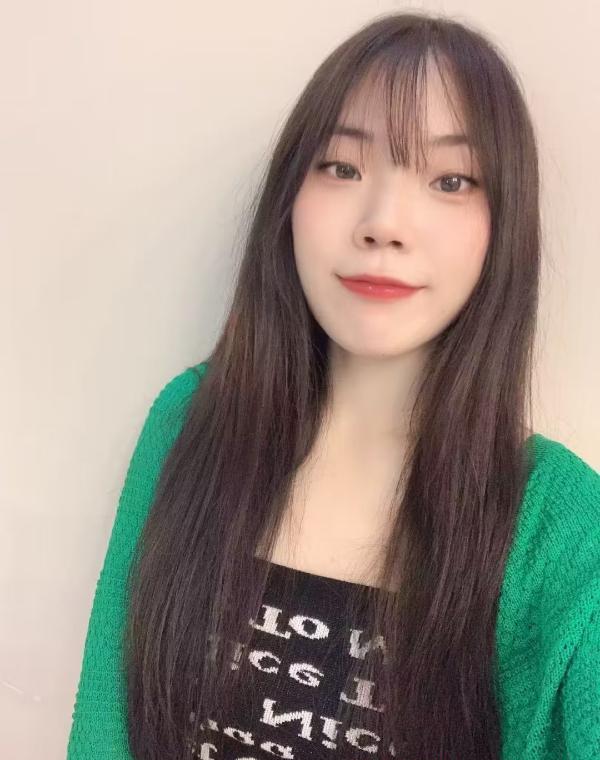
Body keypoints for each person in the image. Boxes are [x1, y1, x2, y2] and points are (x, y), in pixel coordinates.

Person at [66, 10, 600, 760]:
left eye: (451, 180)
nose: (384, 224)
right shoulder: (188, 421)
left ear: (503, 227)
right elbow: (103, 728)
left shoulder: (569, 529)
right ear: (290, 198)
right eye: (343, 168)